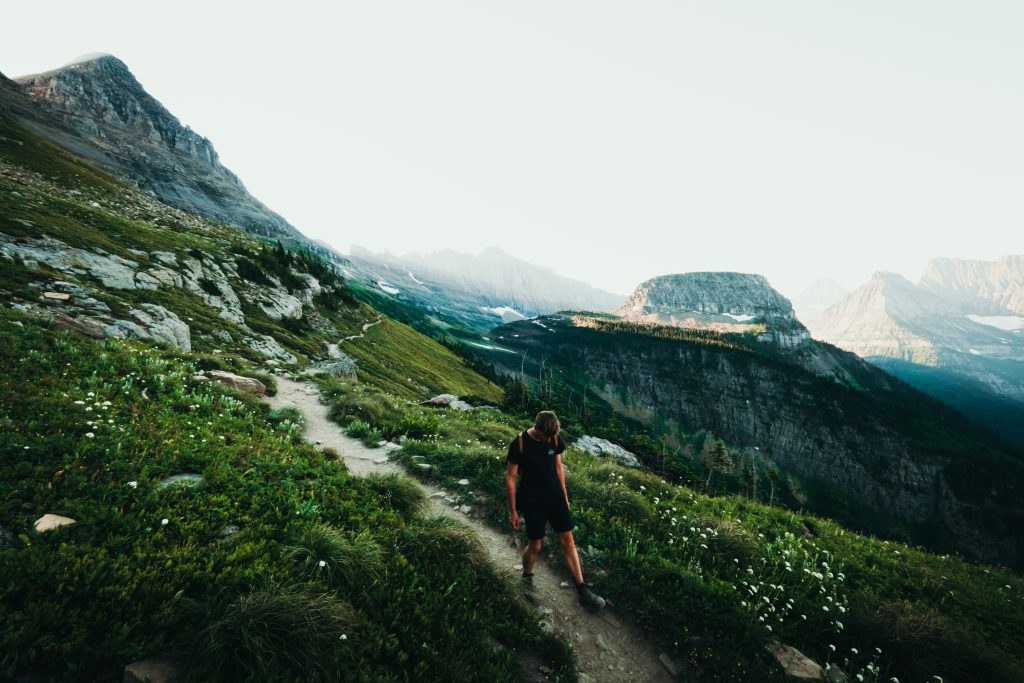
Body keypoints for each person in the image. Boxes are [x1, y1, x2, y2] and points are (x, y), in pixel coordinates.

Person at [506, 410, 606, 609]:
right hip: (532, 500)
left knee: (568, 540)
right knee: (535, 545)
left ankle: (582, 590)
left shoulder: (554, 438)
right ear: (537, 428)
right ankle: (526, 578)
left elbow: (558, 467)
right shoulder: (519, 443)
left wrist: (565, 496)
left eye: (552, 436)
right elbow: (511, 477)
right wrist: (513, 510)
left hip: (555, 498)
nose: (549, 440)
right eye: (546, 436)